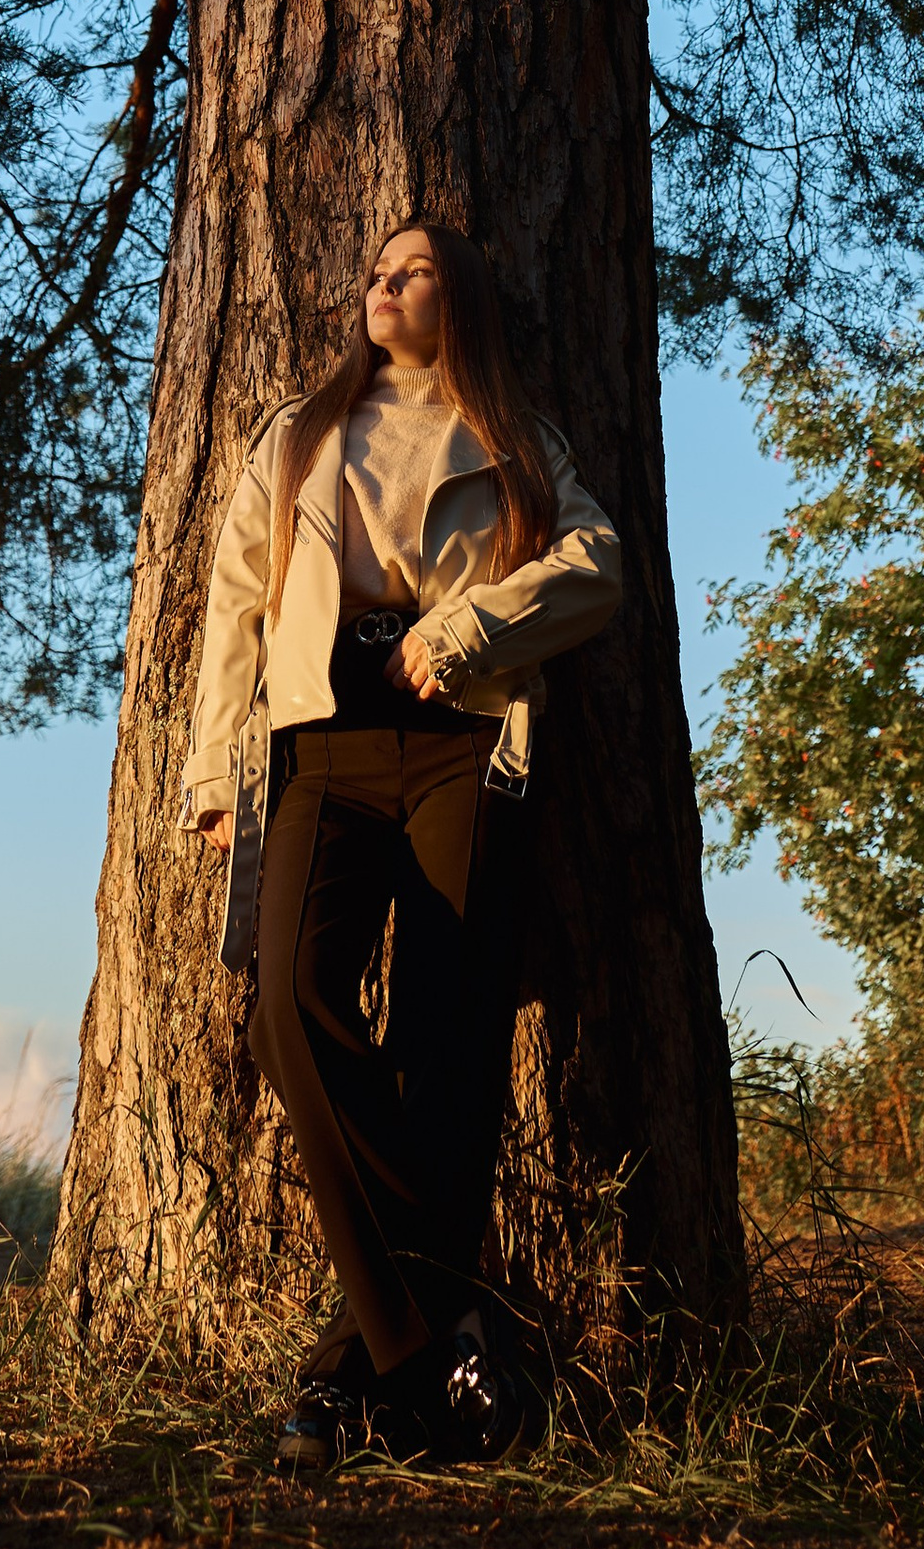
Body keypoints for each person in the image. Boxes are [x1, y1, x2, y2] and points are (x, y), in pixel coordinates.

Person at [184, 218, 623, 1476]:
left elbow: (599, 564)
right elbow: (233, 603)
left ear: (461, 297)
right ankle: (447, 1339)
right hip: (318, 745)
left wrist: (476, 626)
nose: (380, 282)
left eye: (411, 268)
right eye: (375, 268)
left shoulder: (515, 435)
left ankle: (344, 1391)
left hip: (460, 750)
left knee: (446, 1050)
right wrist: (215, 769)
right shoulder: (298, 430)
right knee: (289, 1012)